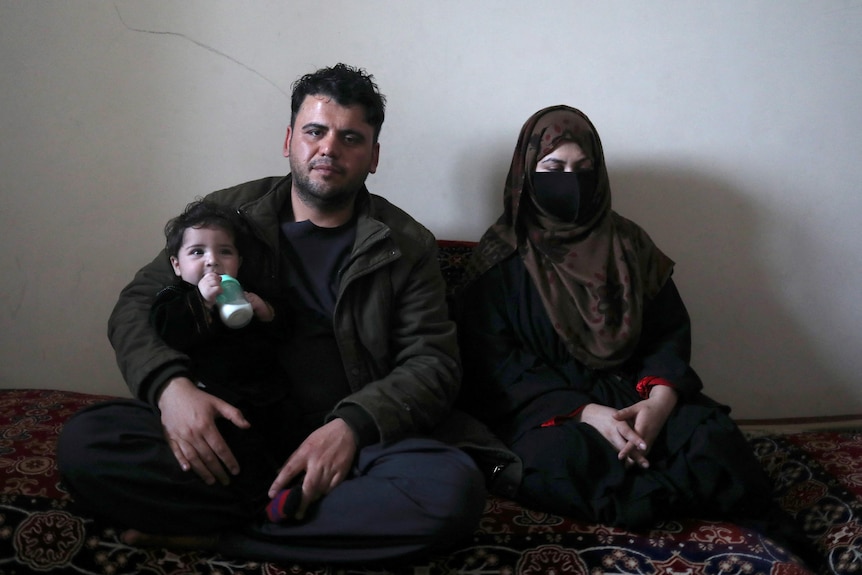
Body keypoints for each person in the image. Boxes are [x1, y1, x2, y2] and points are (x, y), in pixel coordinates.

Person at [58, 63, 486, 564]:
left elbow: (432, 363)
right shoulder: (227, 216)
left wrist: (352, 426)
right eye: (314, 131)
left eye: (351, 137)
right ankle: (292, 516)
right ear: (289, 141)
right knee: (87, 444)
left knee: (453, 491)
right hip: (235, 435)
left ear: (373, 156)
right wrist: (171, 389)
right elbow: (136, 305)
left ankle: (222, 536)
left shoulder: (407, 244)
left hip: (346, 449)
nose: (329, 148)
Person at [456, 106, 816, 561]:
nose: (569, 180)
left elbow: (667, 331)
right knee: (559, 462)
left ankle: (757, 535)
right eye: (553, 168)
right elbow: (495, 365)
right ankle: (669, 498)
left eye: (582, 170)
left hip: (636, 393)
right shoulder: (501, 258)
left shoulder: (628, 245)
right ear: (527, 173)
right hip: (553, 409)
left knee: (713, 437)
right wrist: (587, 412)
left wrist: (659, 402)